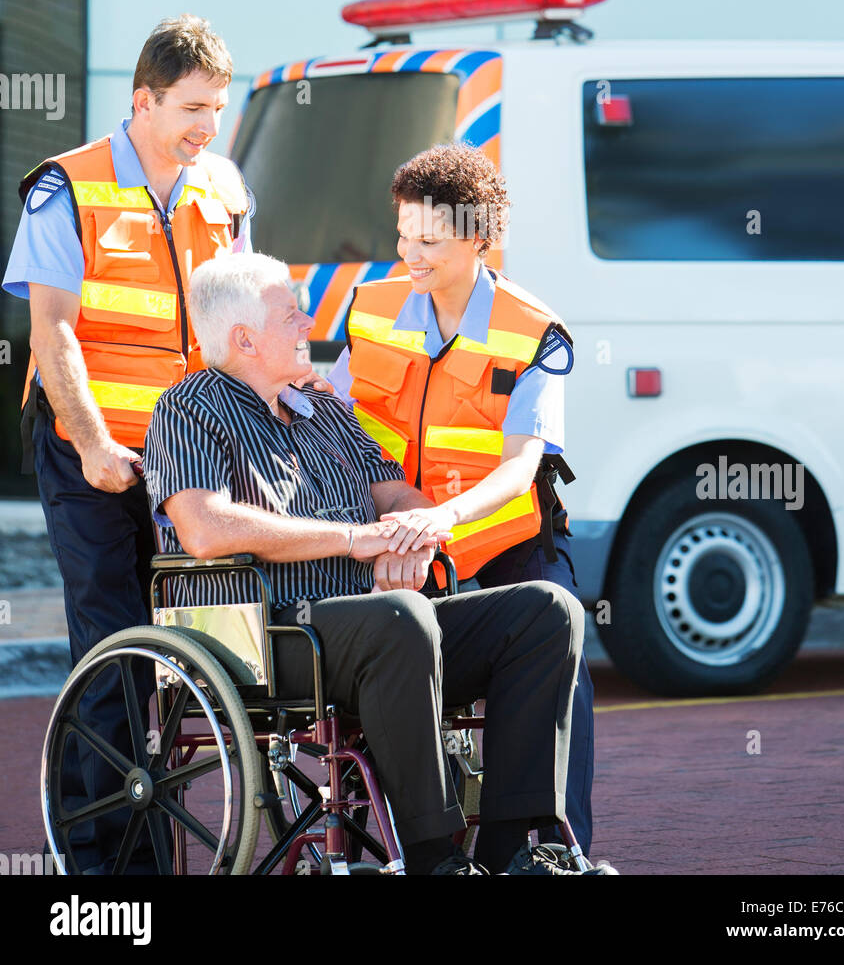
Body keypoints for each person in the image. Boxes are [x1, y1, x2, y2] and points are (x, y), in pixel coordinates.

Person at [142, 251, 609, 875]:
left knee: (547, 611)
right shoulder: (187, 407)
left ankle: (510, 848)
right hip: (270, 629)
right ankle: (434, 856)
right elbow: (203, 527)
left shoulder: (323, 408)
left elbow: (392, 492)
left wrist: (414, 535)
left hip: (372, 624)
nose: (308, 325)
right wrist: (353, 540)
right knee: (400, 618)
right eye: (290, 317)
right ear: (244, 339)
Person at [2, 14, 254, 873]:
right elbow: (52, 333)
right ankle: (103, 866)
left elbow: (237, 327)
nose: (206, 127)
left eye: (217, 108)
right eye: (191, 107)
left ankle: (155, 851)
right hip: (92, 452)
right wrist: (96, 444)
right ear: (141, 100)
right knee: (113, 654)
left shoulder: (221, 188)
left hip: (189, 457)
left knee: (195, 658)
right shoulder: (65, 186)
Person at [327, 142, 596, 853]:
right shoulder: (369, 308)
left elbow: (519, 468)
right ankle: (394, 845)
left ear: (478, 238)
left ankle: (531, 848)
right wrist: (393, 532)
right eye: (402, 235)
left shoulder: (532, 330)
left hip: (501, 542)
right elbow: (334, 428)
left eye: (430, 241)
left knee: (558, 642)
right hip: (393, 537)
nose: (409, 255)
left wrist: (442, 518)